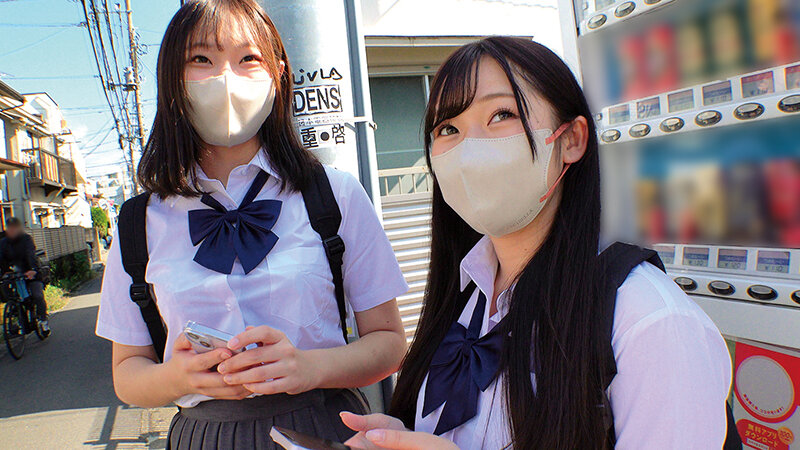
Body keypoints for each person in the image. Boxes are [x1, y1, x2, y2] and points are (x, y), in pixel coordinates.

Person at [342, 37, 732, 449]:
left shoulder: (649, 321)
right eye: (448, 129)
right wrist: (399, 438)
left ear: (571, 139)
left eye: (502, 115)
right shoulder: (465, 297)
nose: (469, 150)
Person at [95, 1, 408, 449]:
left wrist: (310, 367)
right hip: (204, 435)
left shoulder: (335, 194)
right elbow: (127, 374)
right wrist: (178, 377)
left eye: (248, 58)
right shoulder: (137, 223)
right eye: (201, 58)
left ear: (278, 75)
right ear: (172, 79)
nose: (226, 77)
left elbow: (389, 342)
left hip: (324, 426)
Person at [0, 217, 49, 334]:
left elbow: (30, 254)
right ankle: (16, 314)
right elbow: (1, 258)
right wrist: (5, 271)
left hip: (30, 272)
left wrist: (32, 269)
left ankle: (43, 321)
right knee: (7, 291)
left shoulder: (26, 239)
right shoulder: (3, 242)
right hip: (13, 274)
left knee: (37, 295)